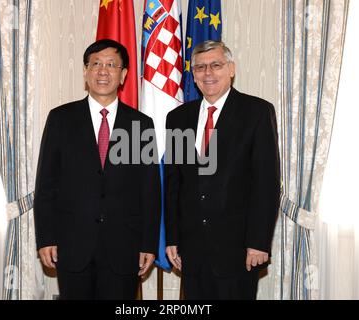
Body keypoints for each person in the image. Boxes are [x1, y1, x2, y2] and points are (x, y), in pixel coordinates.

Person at [34, 39, 160, 300]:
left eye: (112, 65)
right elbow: (46, 184)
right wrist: (46, 238)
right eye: (96, 64)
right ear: (85, 71)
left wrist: (148, 243)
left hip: (124, 248)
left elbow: (149, 189)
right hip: (72, 246)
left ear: (123, 74)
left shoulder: (141, 124)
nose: (103, 71)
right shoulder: (60, 119)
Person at [165, 40, 280, 300]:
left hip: (238, 250)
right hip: (192, 251)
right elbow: (174, 184)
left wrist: (258, 242)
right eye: (200, 67)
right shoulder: (178, 118)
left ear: (231, 69)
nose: (208, 73)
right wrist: (172, 238)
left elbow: (266, 183)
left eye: (216, 65)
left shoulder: (257, 112)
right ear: (193, 75)